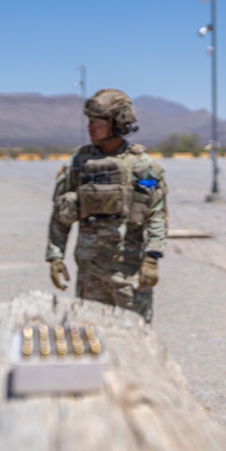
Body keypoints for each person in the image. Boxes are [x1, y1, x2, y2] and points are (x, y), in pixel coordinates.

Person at [46, 89, 168, 323]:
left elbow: (156, 214)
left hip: (128, 271)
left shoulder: (141, 166)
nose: (90, 128)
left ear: (118, 124)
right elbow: (60, 214)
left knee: (136, 339)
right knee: (92, 339)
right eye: (89, 122)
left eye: (97, 123)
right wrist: (55, 256)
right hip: (89, 270)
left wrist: (152, 258)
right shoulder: (78, 164)